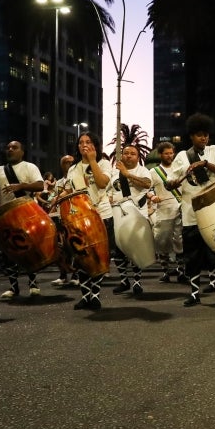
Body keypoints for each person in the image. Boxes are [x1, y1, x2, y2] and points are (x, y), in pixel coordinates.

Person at [167, 113, 215, 307]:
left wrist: (206, 164)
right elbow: (169, 183)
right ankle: (194, 293)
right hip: (191, 214)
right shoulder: (182, 156)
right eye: (199, 135)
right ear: (191, 136)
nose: (204, 138)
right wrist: (172, 183)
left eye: (206, 135)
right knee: (192, 257)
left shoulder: (214, 151)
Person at [0, 140, 46, 301]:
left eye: (15, 147)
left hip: (26, 214)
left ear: (22, 152)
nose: (10, 150)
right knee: (9, 252)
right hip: (6, 216)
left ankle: (33, 284)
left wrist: (21, 186)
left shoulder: (29, 167)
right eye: (8, 147)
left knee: (29, 250)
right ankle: (13, 287)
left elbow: (40, 186)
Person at [63, 132, 114, 310]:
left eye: (89, 142)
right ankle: (85, 295)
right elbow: (68, 191)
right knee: (82, 258)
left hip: (101, 214)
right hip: (80, 218)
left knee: (97, 257)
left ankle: (96, 295)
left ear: (96, 145)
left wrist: (92, 160)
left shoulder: (104, 163)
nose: (84, 145)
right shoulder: (73, 168)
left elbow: (102, 183)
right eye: (81, 142)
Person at [109, 143, 152, 296]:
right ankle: (124, 280)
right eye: (126, 153)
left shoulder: (143, 170)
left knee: (135, 249)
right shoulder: (114, 172)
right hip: (118, 215)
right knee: (119, 251)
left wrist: (127, 175)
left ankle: (137, 282)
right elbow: (107, 190)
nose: (128, 155)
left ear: (138, 157)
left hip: (138, 214)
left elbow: (147, 184)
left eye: (132, 153)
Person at [149, 141, 185, 283]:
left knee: (180, 241)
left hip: (180, 208)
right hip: (163, 210)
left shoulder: (180, 169)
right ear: (160, 154)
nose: (170, 156)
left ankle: (182, 271)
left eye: (171, 153)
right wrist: (153, 196)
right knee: (161, 241)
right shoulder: (153, 172)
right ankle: (166, 272)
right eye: (166, 153)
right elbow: (148, 188)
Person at [48, 155, 79, 287]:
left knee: (75, 246)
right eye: (66, 162)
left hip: (75, 215)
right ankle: (62, 275)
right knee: (61, 248)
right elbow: (53, 198)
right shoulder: (59, 182)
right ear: (61, 165)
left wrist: (57, 198)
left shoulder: (76, 179)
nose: (69, 164)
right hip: (60, 216)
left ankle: (76, 275)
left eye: (72, 162)